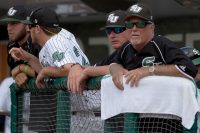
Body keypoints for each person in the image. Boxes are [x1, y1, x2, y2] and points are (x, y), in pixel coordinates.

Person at [109, 3, 197, 90]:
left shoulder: (161, 44)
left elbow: (189, 68)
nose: (134, 29)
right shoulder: (126, 47)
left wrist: (149, 70)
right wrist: (115, 69)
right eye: (129, 25)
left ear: (152, 27)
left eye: (140, 24)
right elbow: (114, 63)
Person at [9, 7, 90, 92]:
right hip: (83, 95)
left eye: (30, 26)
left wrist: (45, 71)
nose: (28, 29)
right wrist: (27, 57)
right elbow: (46, 71)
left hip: (87, 98)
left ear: (37, 28)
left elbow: (69, 69)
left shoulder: (54, 42)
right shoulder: (61, 35)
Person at [78, 10, 131, 91]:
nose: (112, 35)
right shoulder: (116, 54)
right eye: (109, 31)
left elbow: (124, 70)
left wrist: (89, 71)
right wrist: (75, 67)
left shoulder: (135, 49)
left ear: (130, 30)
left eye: (118, 29)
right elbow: (93, 67)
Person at [0, 5, 40, 87]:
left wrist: (22, 68)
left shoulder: (38, 43)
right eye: (8, 23)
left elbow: (46, 73)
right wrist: (19, 74)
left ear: (28, 26)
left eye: (14, 23)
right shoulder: (12, 46)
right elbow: (15, 72)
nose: (9, 28)